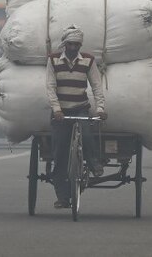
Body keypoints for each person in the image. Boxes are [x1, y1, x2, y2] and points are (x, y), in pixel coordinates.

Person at [46, 25, 107, 209]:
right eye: (70, 44)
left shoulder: (88, 60)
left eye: (77, 45)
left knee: (87, 136)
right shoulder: (53, 60)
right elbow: (50, 86)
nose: (73, 48)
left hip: (80, 109)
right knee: (60, 153)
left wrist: (100, 108)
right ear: (65, 44)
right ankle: (62, 197)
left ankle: (95, 164)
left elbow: (96, 86)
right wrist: (57, 109)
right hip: (60, 113)